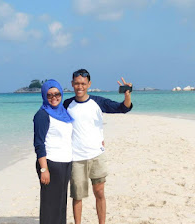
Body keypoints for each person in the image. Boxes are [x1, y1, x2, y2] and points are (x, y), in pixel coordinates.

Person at [63, 69, 133, 224]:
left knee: (99, 192)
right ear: (72, 84)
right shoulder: (67, 104)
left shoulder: (98, 102)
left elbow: (123, 108)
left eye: (83, 83)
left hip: (96, 155)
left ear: (89, 84)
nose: (79, 86)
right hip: (76, 158)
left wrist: (127, 95)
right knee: (77, 196)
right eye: (76, 83)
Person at [33, 79, 74, 224]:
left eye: (57, 93)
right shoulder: (42, 115)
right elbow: (39, 144)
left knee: (60, 203)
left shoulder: (64, 113)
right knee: (50, 205)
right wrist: (44, 169)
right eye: (49, 95)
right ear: (44, 95)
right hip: (50, 163)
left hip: (66, 162)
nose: (54, 97)